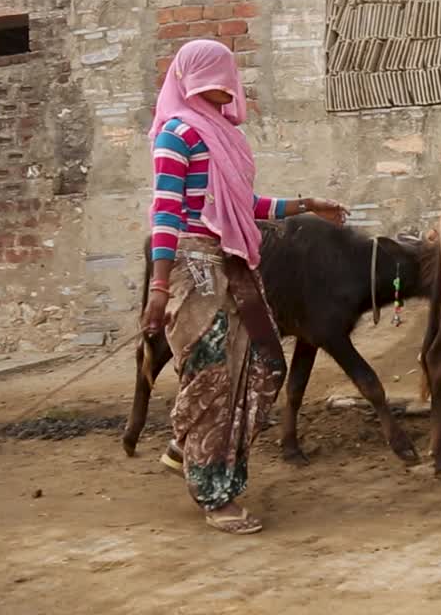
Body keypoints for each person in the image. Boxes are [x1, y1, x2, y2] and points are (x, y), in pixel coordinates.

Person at [141, 39, 347, 534]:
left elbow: (242, 204)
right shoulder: (177, 133)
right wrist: (159, 287)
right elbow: (166, 210)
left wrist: (305, 204)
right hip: (193, 267)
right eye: (205, 72)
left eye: (221, 71)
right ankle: (215, 494)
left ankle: (183, 440)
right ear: (188, 76)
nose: (216, 81)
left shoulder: (227, 137)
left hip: (234, 264)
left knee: (266, 363)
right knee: (212, 378)